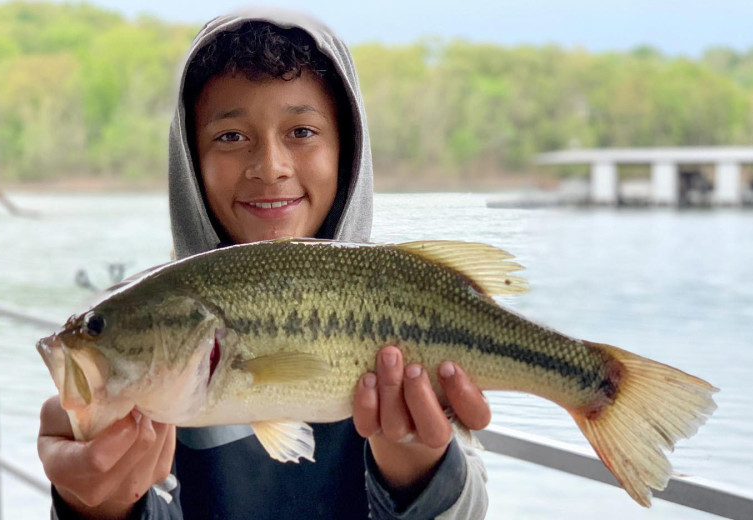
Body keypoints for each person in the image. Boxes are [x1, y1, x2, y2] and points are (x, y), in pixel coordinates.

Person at [38, 8, 492, 519]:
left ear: (347, 151)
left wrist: (421, 463)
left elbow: (470, 506)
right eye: (231, 137)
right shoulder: (154, 325)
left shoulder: (398, 304)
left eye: (301, 131)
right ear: (190, 161)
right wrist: (94, 504)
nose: (270, 168)